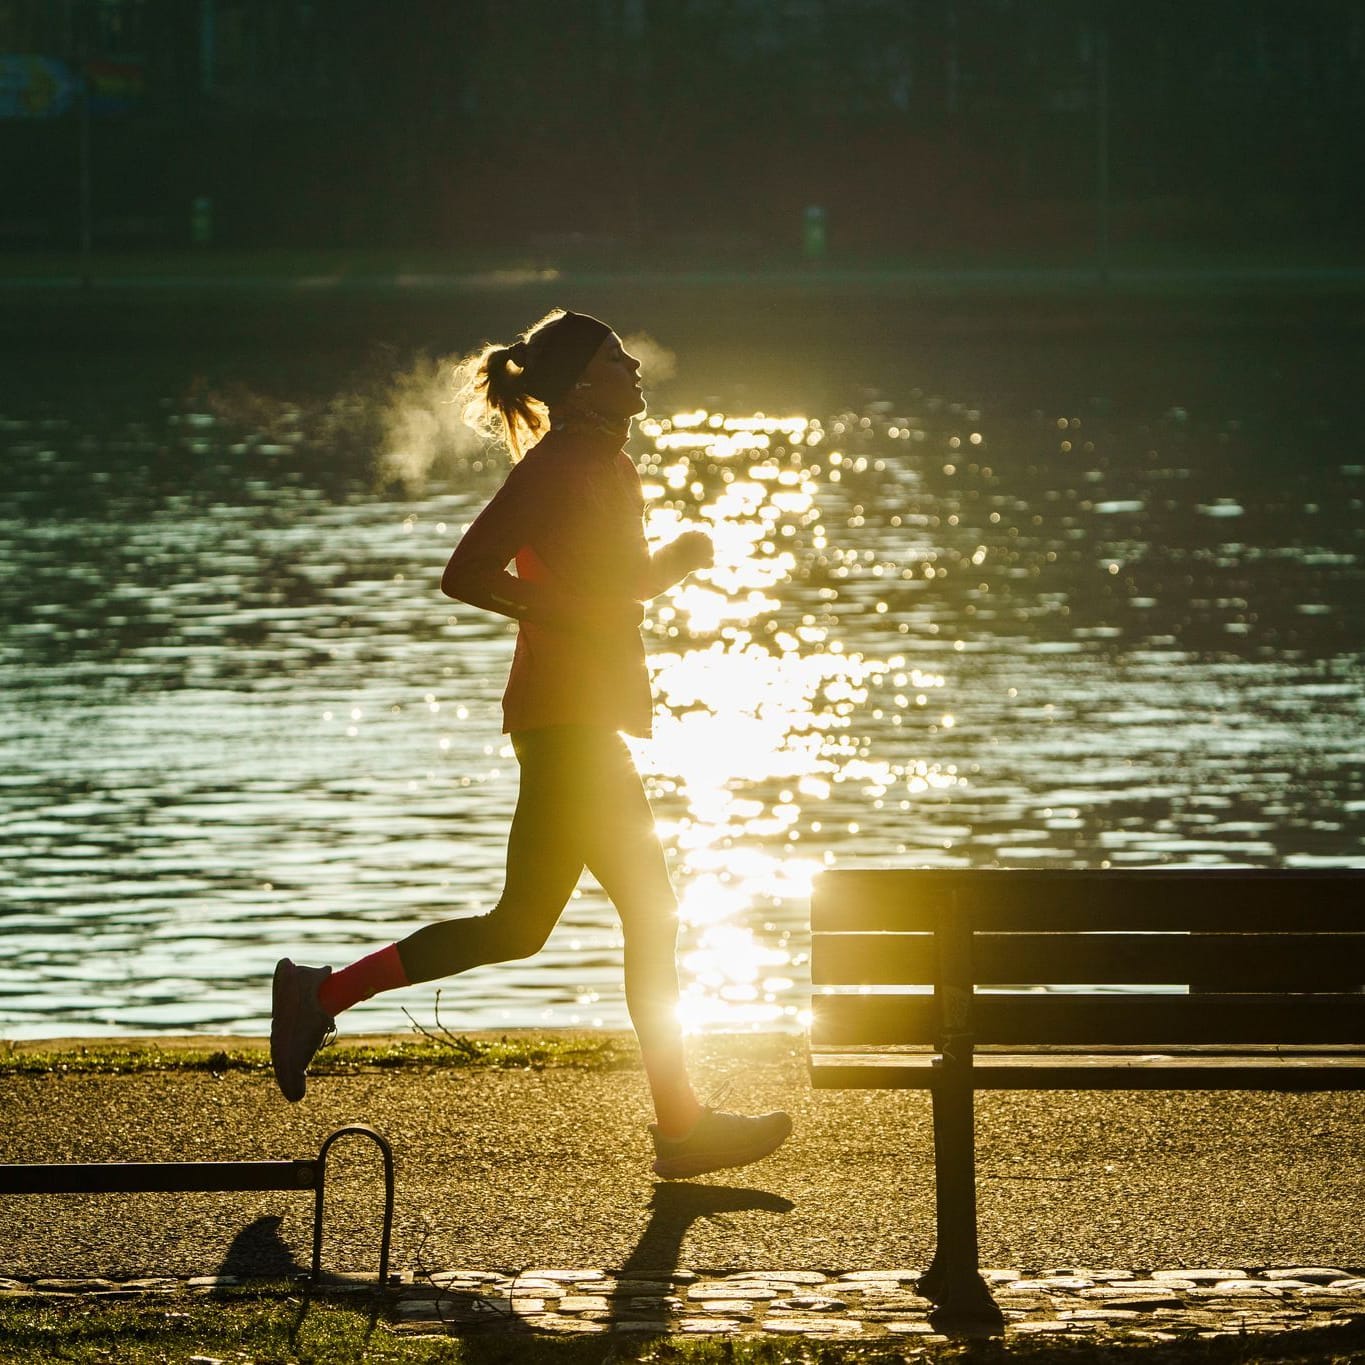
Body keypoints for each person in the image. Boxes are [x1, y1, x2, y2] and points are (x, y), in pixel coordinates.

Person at [270, 308, 791, 1179]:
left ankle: (320, 992)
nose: (635, 367)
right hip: (565, 724)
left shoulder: (604, 462)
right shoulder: (560, 464)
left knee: (528, 925)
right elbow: (466, 572)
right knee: (630, 918)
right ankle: (678, 1125)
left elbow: (611, 587)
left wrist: (674, 563)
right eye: (617, 358)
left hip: (583, 721)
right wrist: (585, 604)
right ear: (583, 382)